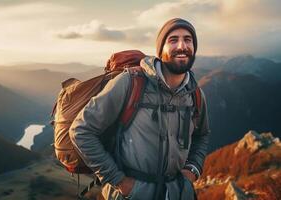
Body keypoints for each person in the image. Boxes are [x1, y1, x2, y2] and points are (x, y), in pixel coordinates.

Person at [70, 18, 210, 200]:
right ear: (161, 50)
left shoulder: (195, 94)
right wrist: (119, 181)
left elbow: (202, 135)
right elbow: (81, 130)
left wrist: (193, 169)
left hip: (178, 193)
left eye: (188, 39)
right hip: (131, 194)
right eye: (173, 40)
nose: (182, 46)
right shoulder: (131, 83)